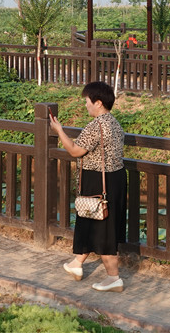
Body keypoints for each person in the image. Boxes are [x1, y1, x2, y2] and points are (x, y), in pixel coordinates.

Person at [49, 81, 127, 292]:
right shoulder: (114, 123)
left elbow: (75, 150)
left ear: (98, 102)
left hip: (99, 181)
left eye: (87, 101)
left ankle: (113, 278)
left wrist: (59, 130)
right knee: (91, 221)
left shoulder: (97, 125)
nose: (85, 105)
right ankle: (77, 263)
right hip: (115, 178)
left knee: (103, 228)